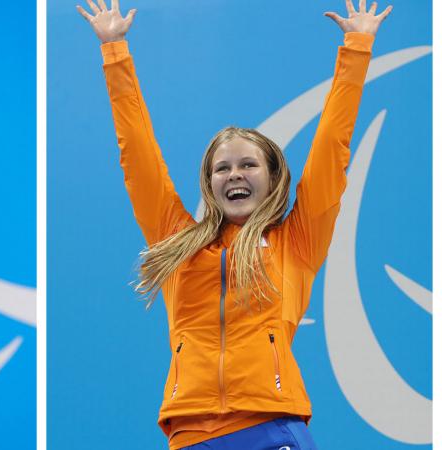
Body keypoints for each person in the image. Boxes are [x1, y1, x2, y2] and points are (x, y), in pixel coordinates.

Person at [77, 1, 391, 448]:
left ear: (273, 177)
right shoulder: (177, 243)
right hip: (189, 431)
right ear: (208, 183)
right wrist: (115, 51)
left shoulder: (296, 242)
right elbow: (138, 158)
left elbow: (331, 150)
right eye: (222, 168)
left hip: (270, 425)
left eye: (248, 165)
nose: (235, 175)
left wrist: (357, 49)